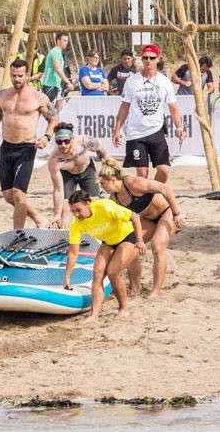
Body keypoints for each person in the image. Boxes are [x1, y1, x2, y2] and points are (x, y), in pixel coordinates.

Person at [0, 58, 54, 229]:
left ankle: (18, 234)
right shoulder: (2, 96)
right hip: (7, 147)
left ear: (27, 75)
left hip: (26, 148)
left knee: (19, 194)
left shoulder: (39, 97)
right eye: (13, 75)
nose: (17, 79)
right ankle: (39, 218)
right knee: (8, 195)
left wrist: (46, 137)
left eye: (20, 76)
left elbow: (53, 119)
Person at [97, 157, 184, 296]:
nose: (102, 187)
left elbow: (165, 189)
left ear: (112, 180)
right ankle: (134, 289)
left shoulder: (133, 183)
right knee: (131, 246)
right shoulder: (114, 199)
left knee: (157, 246)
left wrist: (176, 213)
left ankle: (155, 291)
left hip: (166, 212)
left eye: (103, 183)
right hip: (147, 219)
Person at [63, 189, 145, 323]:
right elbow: (73, 252)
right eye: (73, 211)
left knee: (113, 272)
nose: (76, 215)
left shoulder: (105, 206)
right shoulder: (77, 225)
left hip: (128, 237)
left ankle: (123, 309)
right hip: (108, 242)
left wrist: (140, 240)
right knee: (97, 273)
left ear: (88, 203)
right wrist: (67, 276)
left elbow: (134, 217)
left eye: (79, 210)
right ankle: (94, 315)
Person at [112, 44, 185, 183]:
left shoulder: (165, 82)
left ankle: (154, 192)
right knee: (142, 173)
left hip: (156, 130)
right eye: (145, 58)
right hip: (136, 132)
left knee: (164, 170)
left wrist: (179, 127)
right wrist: (117, 130)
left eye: (152, 58)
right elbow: (124, 107)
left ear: (158, 59)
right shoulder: (132, 81)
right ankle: (146, 200)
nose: (148, 61)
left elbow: (173, 107)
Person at [48, 123, 108, 229]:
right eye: (59, 142)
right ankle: (64, 237)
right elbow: (58, 189)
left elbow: (100, 150)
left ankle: (97, 232)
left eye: (66, 141)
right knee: (65, 207)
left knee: (94, 202)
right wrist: (57, 215)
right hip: (67, 175)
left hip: (87, 170)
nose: (63, 145)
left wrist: (106, 169)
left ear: (72, 138)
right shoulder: (54, 159)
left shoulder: (83, 142)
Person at [43, 33, 72, 106]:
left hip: (55, 84)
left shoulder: (58, 52)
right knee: (50, 110)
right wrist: (67, 82)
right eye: (64, 40)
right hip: (50, 84)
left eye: (67, 41)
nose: (66, 43)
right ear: (58, 41)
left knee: (62, 106)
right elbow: (57, 68)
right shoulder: (55, 52)